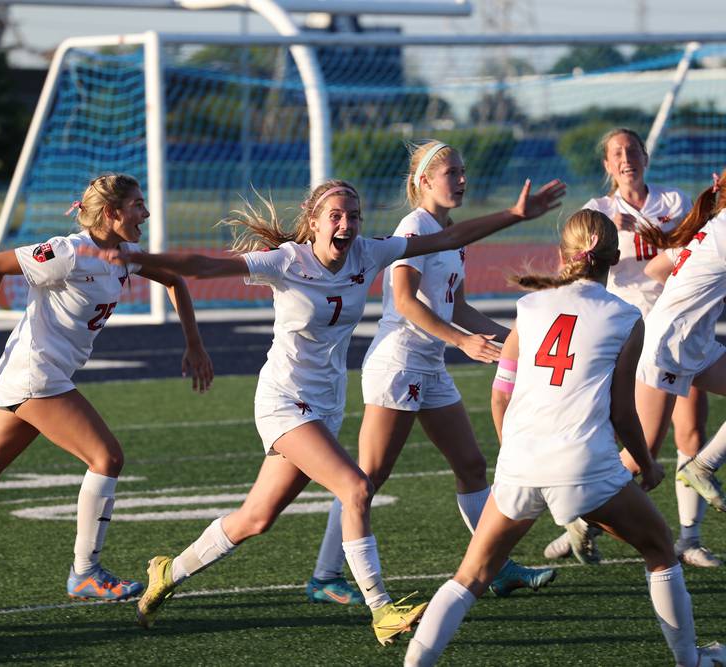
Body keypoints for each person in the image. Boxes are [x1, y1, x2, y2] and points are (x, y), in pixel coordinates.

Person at [82, 176, 565, 642]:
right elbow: (205, 266)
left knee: (256, 517)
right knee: (356, 487)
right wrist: (140, 256)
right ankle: (382, 609)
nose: (347, 224)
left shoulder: (368, 252)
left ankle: (169, 571)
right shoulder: (285, 261)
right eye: (336, 215)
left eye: (353, 215)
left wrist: (515, 215)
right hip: (283, 402)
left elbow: (452, 235)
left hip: (326, 405)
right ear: (313, 221)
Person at [402, 209, 725, 667]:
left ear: (563, 254)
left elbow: (500, 398)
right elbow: (622, 412)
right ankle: (690, 660)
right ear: (613, 258)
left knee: (470, 575)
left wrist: (515, 453)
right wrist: (647, 464)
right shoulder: (626, 315)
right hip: (583, 464)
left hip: (521, 463)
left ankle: (416, 663)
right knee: (659, 547)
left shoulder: (528, 307)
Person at [0, 174, 214, 601]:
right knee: (107, 456)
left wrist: (195, 344)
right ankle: (85, 572)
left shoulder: (125, 255)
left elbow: (175, 279)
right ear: (113, 212)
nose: (146, 213)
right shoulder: (69, 251)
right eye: (137, 205)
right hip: (35, 375)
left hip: (43, 375)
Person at [306, 141, 555, 608]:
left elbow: (456, 305)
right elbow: (403, 301)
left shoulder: (447, 230)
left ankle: (496, 567)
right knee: (367, 477)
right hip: (398, 364)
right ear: (424, 181)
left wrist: (518, 339)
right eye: (451, 173)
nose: (461, 180)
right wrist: (463, 341)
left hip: (430, 364)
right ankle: (324, 576)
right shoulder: (414, 228)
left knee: (471, 465)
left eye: (463, 171)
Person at [543, 128, 717, 568]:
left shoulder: (674, 202)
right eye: (616, 153)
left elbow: (672, 261)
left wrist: (653, 233)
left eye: (632, 150)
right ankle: (584, 517)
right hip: (628, 333)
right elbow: (575, 268)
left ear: (645, 155)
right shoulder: (597, 212)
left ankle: (689, 539)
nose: (626, 159)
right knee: (640, 443)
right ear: (606, 165)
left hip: (679, 329)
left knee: (690, 431)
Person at [633, 169, 726, 516]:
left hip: (692, 342)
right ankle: (581, 519)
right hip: (670, 346)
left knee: (645, 456)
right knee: (640, 458)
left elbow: (656, 268)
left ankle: (702, 466)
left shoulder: (714, 225)